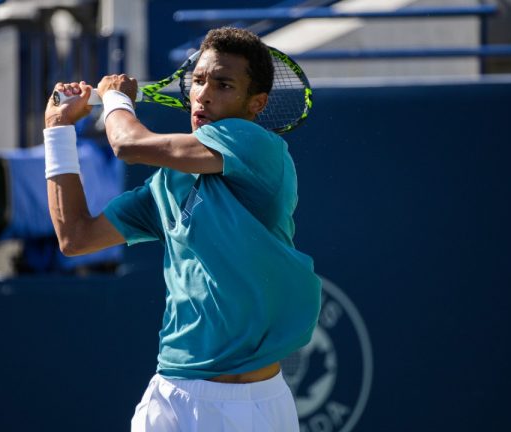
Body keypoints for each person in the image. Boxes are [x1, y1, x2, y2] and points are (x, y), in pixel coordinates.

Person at [43, 27, 321, 432]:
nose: (204, 94)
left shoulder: (258, 145)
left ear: (256, 104)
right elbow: (76, 237)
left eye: (223, 85)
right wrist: (57, 130)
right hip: (175, 399)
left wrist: (117, 97)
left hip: (259, 408)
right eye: (198, 80)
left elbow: (128, 145)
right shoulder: (165, 187)